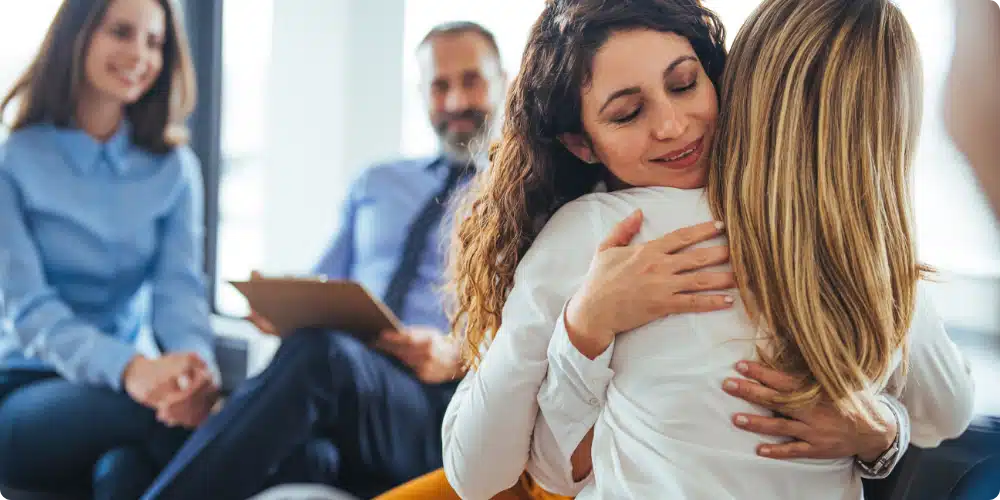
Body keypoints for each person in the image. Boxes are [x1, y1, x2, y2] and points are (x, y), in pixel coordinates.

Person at [437, 0, 974, 499]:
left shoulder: (591, 231)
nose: (672, 127)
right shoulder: (866, 238)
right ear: (580, 143)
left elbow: (496, 472)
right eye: (627, 114)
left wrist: (875, 429)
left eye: (685, 84)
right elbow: (948, 414)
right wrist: (587, 324)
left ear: (723, 78)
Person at [139, 21, 507, 500]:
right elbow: (328, 282)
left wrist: (455, 353)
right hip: (353, 387)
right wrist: (284, 306)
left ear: (505, 81)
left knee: (319, 357)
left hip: (444, 402)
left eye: (471, 81)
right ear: (421, 93)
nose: (456, 101)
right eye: (440, 86)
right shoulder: (377, 183)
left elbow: (536, 333)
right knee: (299, 448)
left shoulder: (525, 195)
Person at [0, 0, 219, 498]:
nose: (139, 54)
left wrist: (193, 371)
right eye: (121, 32)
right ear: (77, 37)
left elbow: (179, 291)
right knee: (154, 420)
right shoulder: (13, 160)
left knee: (124, 474)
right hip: (25, 389)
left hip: (136, 390)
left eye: (154, 42)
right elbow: (28, 311)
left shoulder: (174, 168)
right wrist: (130, 369)